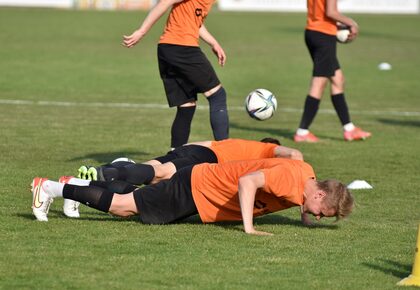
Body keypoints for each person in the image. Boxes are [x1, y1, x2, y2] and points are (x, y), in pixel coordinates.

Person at [31, 158, 354, 235]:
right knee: (123, 208)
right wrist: (249, 228)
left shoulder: (306, 176)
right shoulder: (291, 179)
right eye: (322, 211)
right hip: (196, 189)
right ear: (320, 193)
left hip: (198, 187)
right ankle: (48, 188)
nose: (318, 215)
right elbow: (247, 182)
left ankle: (72, 183)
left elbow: (293, 189)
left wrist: (304, 213)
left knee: (132, 200)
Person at [123, 0, 229, 149]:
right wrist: (142, 31)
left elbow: (194, 21)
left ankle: (174, 158)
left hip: (167, 50)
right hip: (183, 48)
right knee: (217, 95)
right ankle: (225, 151)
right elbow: (164, 2)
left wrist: (213, 43)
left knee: (187, 106)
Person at [294, 0, 371, 143]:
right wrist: (352, 23)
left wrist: (337, 25)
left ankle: (349, 129)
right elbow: (331, 12)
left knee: (337, 79)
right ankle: (302, 132)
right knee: (319, 82)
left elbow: (320, 13)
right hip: (323, 36)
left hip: (312, 32)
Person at [77, 137, 304, 185]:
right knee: (161, 175)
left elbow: (208, 142)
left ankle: (99, 171)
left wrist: (181, 150)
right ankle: (102, 175)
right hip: (206, 158)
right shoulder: (266, 150)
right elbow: (294, 156)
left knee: (151, 169)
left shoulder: (239, 143)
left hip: (193, 149)